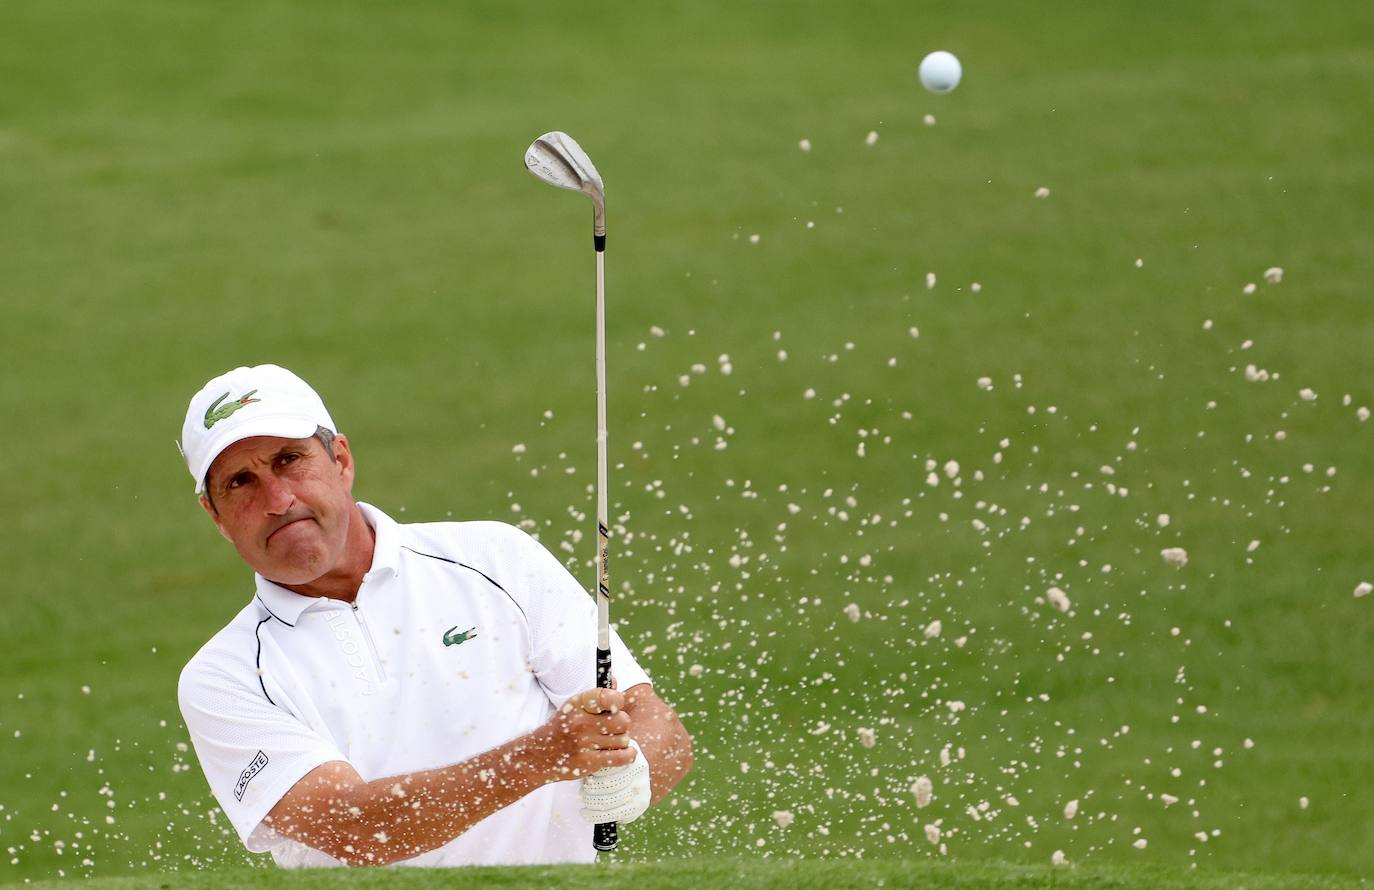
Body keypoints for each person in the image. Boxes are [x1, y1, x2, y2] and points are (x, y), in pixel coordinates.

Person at [175, 364, 692, 867]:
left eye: (290, 459)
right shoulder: (226, 676)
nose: (278, 499)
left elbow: (654, 723)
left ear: (341, 459)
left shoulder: (497, 558)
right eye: (240, 482)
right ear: (214, 515)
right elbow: (356, 831)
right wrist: (542, 756)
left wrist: (634, 769)